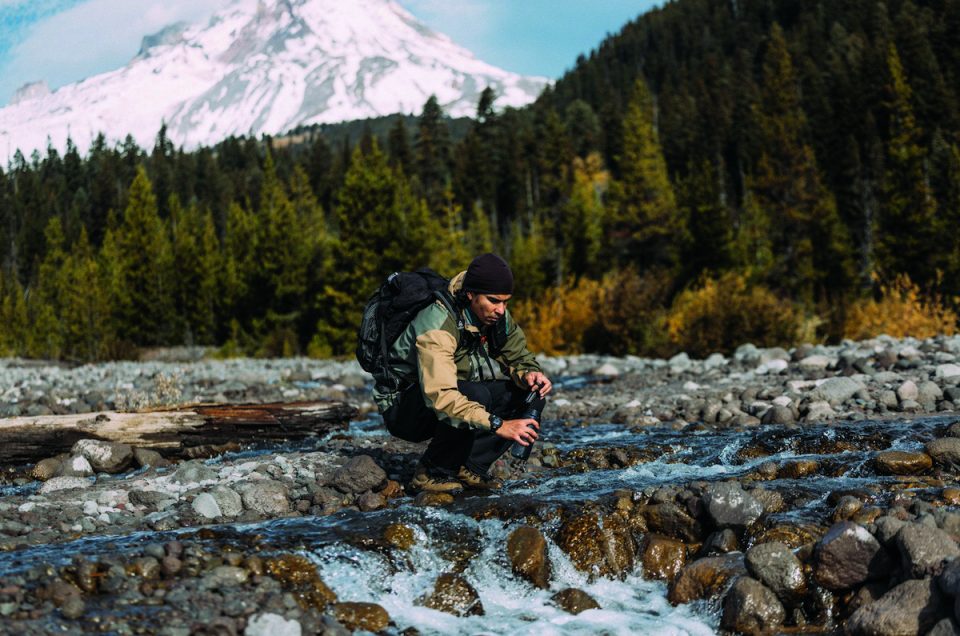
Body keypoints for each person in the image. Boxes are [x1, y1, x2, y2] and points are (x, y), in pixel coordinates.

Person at [373, 253, 552, 494]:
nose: (501, 310)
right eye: (494, 301)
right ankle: (432, 472)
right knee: (475, 394)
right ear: (470, 294)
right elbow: (442, 397)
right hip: (405, 408)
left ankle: (470, 468)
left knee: (529, 393)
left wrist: (529, 373)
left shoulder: (491, 314)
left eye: (506, 302)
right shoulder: (437, 325)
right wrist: (499, 425)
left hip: (451, 394)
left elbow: (518, 354)